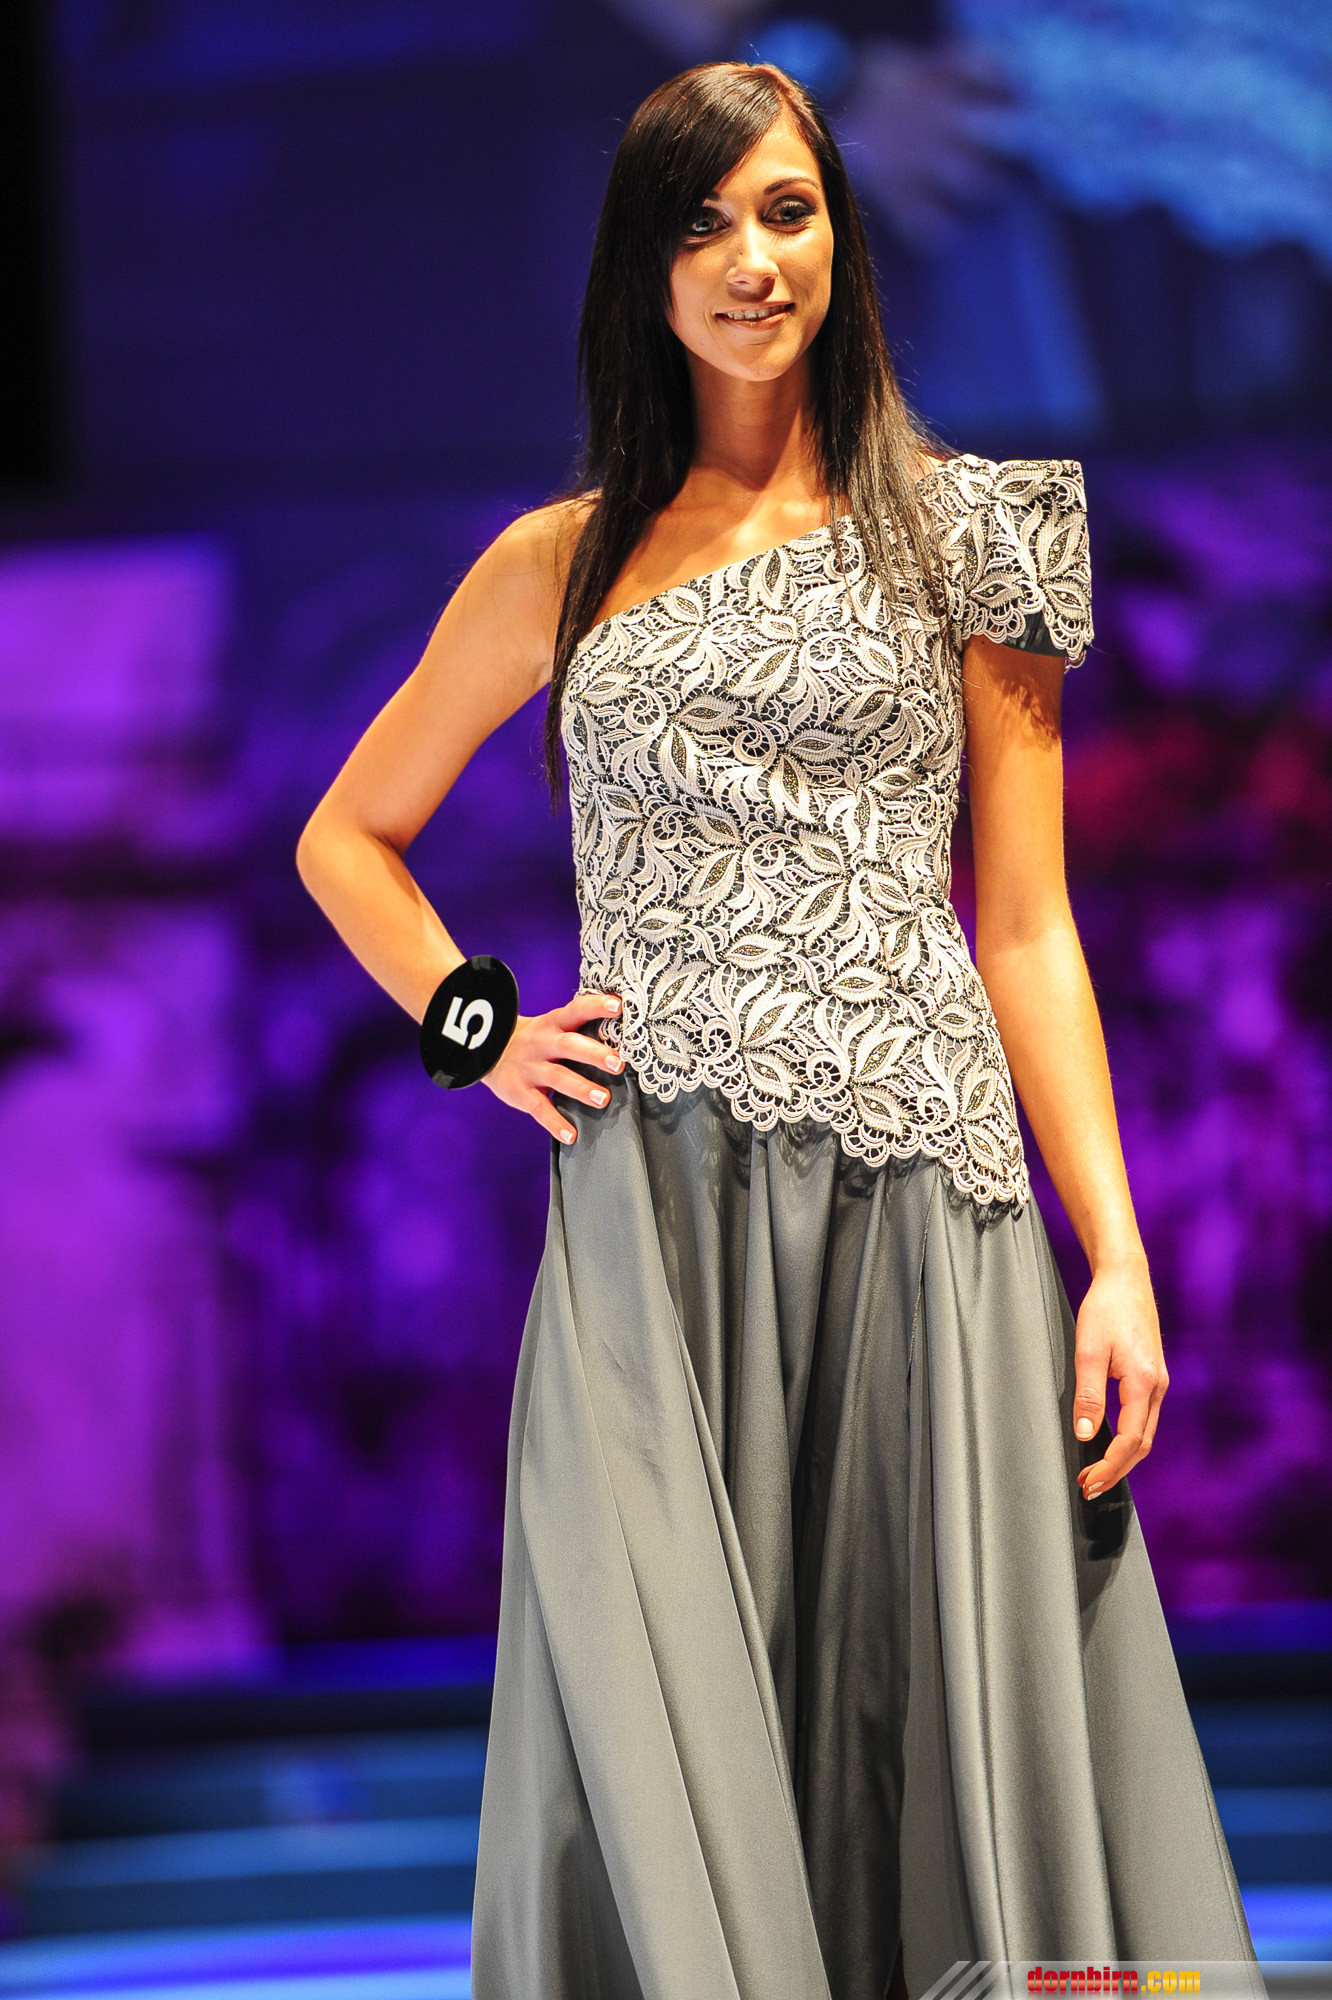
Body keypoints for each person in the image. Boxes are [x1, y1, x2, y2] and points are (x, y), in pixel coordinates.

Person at [296, 61, 1258, 2000]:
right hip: (654, 1211)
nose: (753, 259)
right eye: (704, 221)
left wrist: (1116, 1257)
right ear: (643, 270)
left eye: (790, 211)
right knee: (649, 1694)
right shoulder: (559, 562)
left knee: (939, 1700)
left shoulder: (968, 533)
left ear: (843, 241)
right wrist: (482, 1026)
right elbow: (348, 835)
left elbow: (1027, 922)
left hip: (925, 1196)